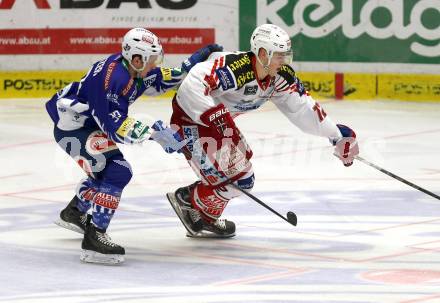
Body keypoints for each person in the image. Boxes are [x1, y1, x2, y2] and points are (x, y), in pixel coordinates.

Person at [46, 27, 222, 264]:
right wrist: (155, 135)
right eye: (151, 60)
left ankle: (74, 213)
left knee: (103, 172)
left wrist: (195, 61)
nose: (154, 64)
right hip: (74, 129)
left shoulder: (132, 69)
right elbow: (114, 127)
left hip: (88, 125)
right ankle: (94, 238)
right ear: (137, 58)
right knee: (117, 171)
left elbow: (167, 76)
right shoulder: (112, 80)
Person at [166, 24, 359, 238]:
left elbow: (303, 109)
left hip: (217, 127)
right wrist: (215, 116)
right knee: (238, 179)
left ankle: (201, 213)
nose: (283, 61)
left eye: (285, 55)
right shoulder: (235, 68)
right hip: (189, 120)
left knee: (242, 179)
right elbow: (191, 85)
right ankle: (189, 199)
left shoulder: (278, 77)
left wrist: (336, 135)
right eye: (278, 55)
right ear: (262, 53)